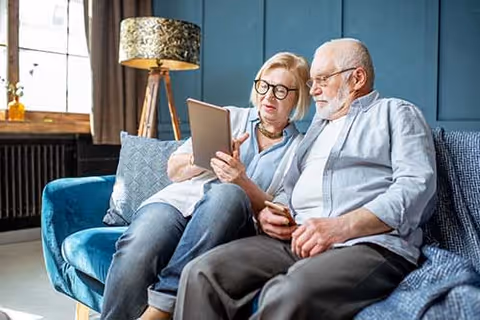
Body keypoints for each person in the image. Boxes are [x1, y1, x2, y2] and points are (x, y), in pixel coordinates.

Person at [174, 38, 437, 320]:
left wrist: (339, 227)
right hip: (297, 240)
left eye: (322, 79)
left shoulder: (395, 113)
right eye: (312, 82)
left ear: (357, 77)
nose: (314, 91)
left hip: (367, 245)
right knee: (201, 273)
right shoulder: (316, 131)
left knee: (288, 293)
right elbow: (290, 190)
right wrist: (273, 216)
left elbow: (416, 187)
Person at [100, 52, 311, 320]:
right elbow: (174, 170)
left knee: (228, 193)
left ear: (298, 98)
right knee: (140, 246)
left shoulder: (300, 150)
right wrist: (207, 157)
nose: (269, 96)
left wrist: (240, 180)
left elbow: (280, 211)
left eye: (281, 90)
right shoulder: (228, 117)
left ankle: (161, 308)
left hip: (229, 223)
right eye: (264, 85)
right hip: (178, 204)